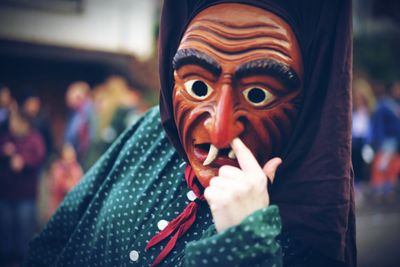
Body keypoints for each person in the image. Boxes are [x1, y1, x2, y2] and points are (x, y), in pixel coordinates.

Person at [25, 1, 355, 266]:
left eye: (258, 94)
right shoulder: (152, 131)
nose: (218, 131)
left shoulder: (312, 225)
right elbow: (56, 239)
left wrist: (245, 242)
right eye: (198, 86)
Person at [0, 108, 45, 265]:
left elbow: (39, 156)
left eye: (14, 121)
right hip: (5, 193)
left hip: (25, 194)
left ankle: (24, 261)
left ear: (23, 123)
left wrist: (24, 161)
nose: (11, 124)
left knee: (24, 231)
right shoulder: (5, 138)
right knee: (5, 230)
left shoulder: (34, 138)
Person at [370, 81, 400, 201]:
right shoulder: (384, 105)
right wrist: (380, 141)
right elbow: (379, 125)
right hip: (387, 141)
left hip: (395, 140)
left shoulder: (395, 105)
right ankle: (379, 189)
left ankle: (388, 189)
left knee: (393, 165)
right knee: (382, 164)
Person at [64, 81, 96, 170]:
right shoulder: (77, 111)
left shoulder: (87, 111)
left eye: (71, 93)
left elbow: (88, 137)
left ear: (80, 95)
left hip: (84, 159)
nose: (68, 97)